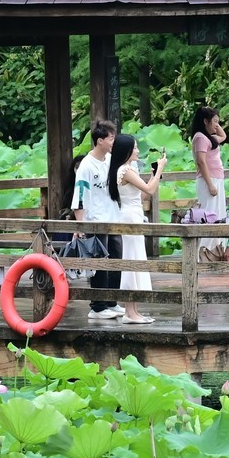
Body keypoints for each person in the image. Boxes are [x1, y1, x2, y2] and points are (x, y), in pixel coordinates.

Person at [107, 135, 165, 324]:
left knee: (136, 260)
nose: (138, 151)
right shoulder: (125, 170)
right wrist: (160, 170)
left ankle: (133, 311)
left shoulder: (126, 170)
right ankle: (129, 312)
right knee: (132, 262)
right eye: (135, 148)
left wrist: (151, 176)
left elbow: (139, 195)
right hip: (130, 218)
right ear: (127, 151)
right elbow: (150, 190)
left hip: (133, 214)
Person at [72, 120, 124, 321]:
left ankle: (112, 301)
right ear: (100, 140)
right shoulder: (86, 165)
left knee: (116, 261)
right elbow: (80, 195)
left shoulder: (111, 160)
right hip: (95, 219)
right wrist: (80, 224)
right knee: (100, 264)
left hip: (113, 218)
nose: (114, 141)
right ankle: (98, 306)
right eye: (111, 138)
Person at [189, 106, 228, 256]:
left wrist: (217, 124)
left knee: (218, 214)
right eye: (215, 122)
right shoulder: (200, 137)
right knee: (209, 215)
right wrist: (211, 184)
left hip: (216, 178)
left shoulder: (208, 138)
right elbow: (201, 162)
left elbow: (223, 137)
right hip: (208, 180)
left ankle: (215, 252)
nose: (217, 125)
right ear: (205, 121)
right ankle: (203, 253)